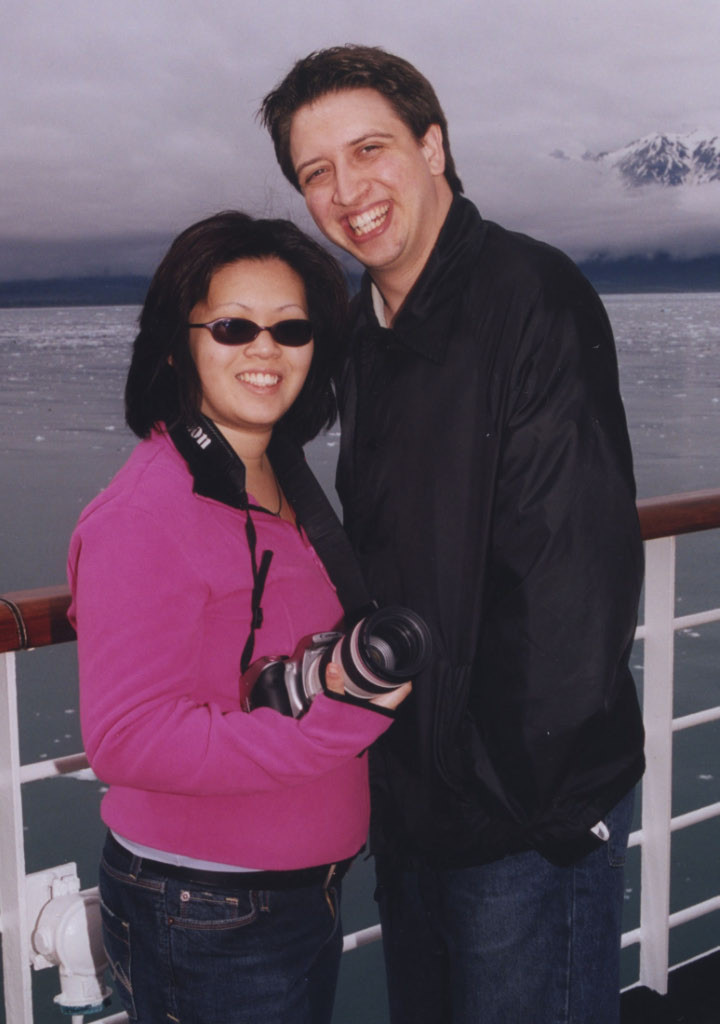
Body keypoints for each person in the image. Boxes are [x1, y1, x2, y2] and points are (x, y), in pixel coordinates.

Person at [260, 46, 646, 1024]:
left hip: (519, 819)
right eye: (316, 171)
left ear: (433, 147)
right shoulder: (365, 331)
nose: (347, 192)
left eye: (370, 150)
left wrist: (512, 803)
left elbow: (574, 592)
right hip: (417, 801)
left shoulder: (530, 298)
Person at [67, 210, 410, 1024]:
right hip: (209, 910)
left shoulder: (274, 474)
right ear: (177, 344)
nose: (266, 349)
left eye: (291, 328)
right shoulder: (146, 512)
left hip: (285, 895)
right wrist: (345, 719)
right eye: (233, 327)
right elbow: (128, 739)